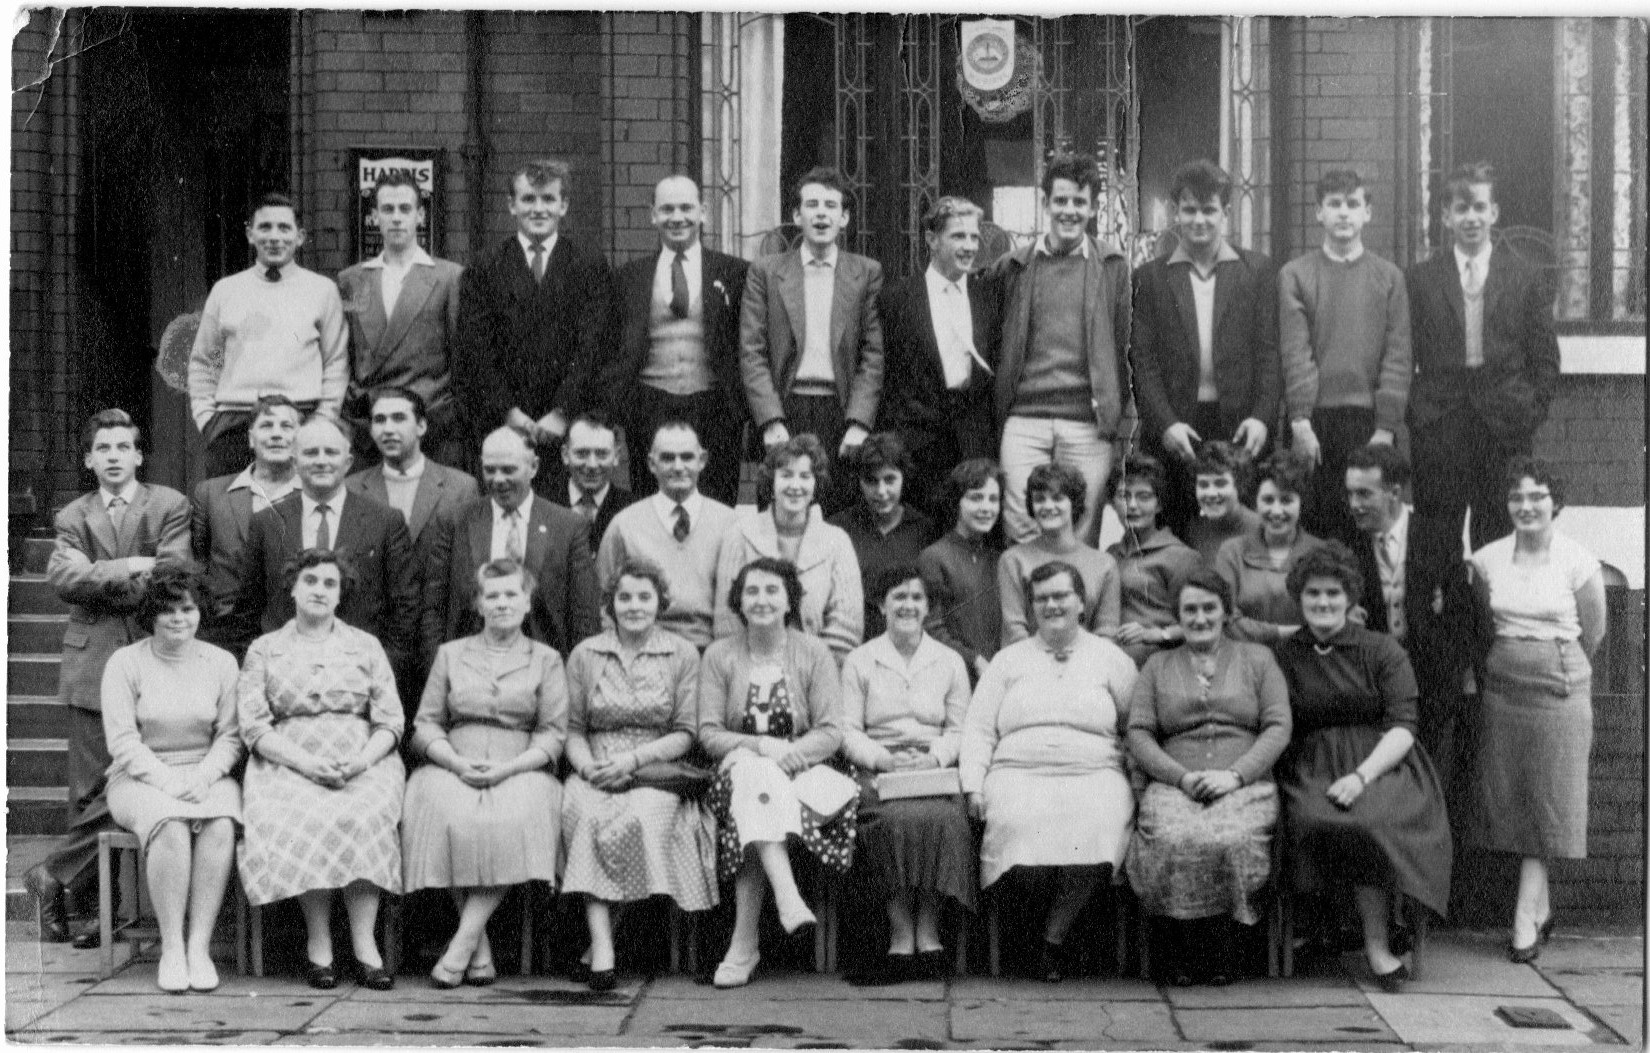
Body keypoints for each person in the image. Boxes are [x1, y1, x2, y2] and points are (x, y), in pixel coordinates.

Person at [27, 409, 191, 948]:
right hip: (92, 665)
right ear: (89, 459)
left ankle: (53, 873)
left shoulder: (168, 505)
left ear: (140, 455)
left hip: (152, 660)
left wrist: (111, 573)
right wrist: (128, 567)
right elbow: (64, 578)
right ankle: (97, 910)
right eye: (105, 448)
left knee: (130, 782)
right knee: (90, 790)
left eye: (125, 447)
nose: (115, 456)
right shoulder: (73, 514)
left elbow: (170, 573)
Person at [1272, 542, 1452, 992]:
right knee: (1315, 818)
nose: (1323, 603)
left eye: (1333, 594)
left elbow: (1404, 726)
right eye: (1313, 594)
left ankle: (1377, 943)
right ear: (1300, 598)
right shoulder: (1286, 653)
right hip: (1310, 765)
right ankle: (1327, 928)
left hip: (1382, 763)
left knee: (1372, 817)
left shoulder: (1381, 650)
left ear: (1350, 597)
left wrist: (1361, 776)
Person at [960, 561, 1139, 981]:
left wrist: (1138, 781)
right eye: (1042, 598)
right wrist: (973, 786)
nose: (1052, 604)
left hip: (1094, 771)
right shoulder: (1008, 662)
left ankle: (1052, 939)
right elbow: (979, 729)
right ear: (1032, 606)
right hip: (1018, 772)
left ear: (1081, 602)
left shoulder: (1111, 659)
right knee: (1020, 824)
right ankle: (1032, 930)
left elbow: (1136, 727)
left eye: (1061, 595)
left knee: (1101, 823)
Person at [237, 549, 406, 991]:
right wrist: (307, 763)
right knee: (307, 815)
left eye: (329, 583)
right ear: (292, 587)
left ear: (340, 594)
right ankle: (319, 941)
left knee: (366, 813)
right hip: (287, 761)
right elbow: (254, 726)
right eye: (310, 580)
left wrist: (362, 761)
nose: (319, 590)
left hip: (362, 757)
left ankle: (365, 943)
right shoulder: (265, 648)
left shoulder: (364, 646)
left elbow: (391, 721)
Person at [403, 558, 567, 988]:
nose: (501, 603)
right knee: (445, 810)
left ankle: (463, 942)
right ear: (477, 604)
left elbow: (552, 734)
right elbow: (426, 724)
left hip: (521, 766)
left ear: (527, 602)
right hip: (455, 761)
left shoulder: (546, 659)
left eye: (511, 594)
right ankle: (479, 952)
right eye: (491, 596)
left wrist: (512, 767)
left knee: (510, 819)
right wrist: (454, 762)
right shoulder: (451, 654)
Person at [1467, 459, 1606, 963]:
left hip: (1560, 689)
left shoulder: (1577, 560)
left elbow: (1594, 630)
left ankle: (1525, 917)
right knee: (1511, 796)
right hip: (1503, 687)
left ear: (1556, 503)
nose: (1527, 507)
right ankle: (1540, 908)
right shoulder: (1486, 560)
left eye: (1538, 497)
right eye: (1517, 498)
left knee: (1548, 798)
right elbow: (1484, 621)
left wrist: (1558, 669)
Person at [1124, 569, 1290, 986]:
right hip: (1174, 782)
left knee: (1229, 839)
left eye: (1209, 608)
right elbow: (1139, 732)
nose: (1199, 618)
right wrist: (1179, 778)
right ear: (1178, 617)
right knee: (1171, 837)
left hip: (1244, 783)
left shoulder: (1258, 659)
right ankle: (1178, 948)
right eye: (1190, 610)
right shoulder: (1158, 664)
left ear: (1227, 611)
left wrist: (1236, 775)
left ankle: (1226, 949)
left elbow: (1277, 725)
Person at [562, 560, 716, 990]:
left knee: (634, 821)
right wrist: (588, 767)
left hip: (654, 769)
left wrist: (632, 763)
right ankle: (603, 944)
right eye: (624, 597)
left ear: (660, 603)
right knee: (590, 818)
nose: (634, 606)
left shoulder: (682, 654)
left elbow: (685, 733)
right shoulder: (586, 654)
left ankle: (600, 948)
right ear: (610, 603)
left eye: (644, 597)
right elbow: (573, 730)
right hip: (595, 766)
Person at [699, 557, 852, 989]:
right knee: (754, 775)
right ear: (738, 602)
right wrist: (764, 748)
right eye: (752, 591)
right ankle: (787, 898)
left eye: (772, 590)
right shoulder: (720, 655)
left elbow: (830, 730)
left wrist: (790, 755)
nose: (762, 599)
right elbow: (709, 734)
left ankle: (744, 944)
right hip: (735, 775)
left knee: (759, 793)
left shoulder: (814, 652)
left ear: (789, 601)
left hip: (803, 776)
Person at [101, 563, 243, 993]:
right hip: (138, 777)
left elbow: (231, 736)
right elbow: (123, 742)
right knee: (171, 826)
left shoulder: (221, 662)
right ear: (150, 615)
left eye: (187, 608)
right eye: (167, 611)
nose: (179, 618)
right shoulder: (125, 662)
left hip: (205, 771)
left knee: (220, 822)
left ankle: (198, 947)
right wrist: (167, 782)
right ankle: (171, 948)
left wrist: (204, 776)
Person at [1407, 162, 1561, 555]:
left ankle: (1488, 620)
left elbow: (1545, 359)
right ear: (1445, 216)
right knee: (1435, 543)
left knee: (1497, 545)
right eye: (1461, 209)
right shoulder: (1422, 280)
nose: (1471, 217)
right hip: (1440, 429)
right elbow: (1403, 353)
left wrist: (1528, 410)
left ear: (1494, 212)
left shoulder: (1525, 278)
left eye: (1479, 207)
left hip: (1504, 430)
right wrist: (1418, 413)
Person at [840, 566, 975, 984]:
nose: (908, 606)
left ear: (928, 608)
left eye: (917, 598)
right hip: (878, 765)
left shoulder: (949, 661)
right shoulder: (860, 660)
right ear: (881, 605)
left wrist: (934, 759)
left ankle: (929, 930)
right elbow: (847, 730)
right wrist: (883, 759)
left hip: (933, 767)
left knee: (946, 820)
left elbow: (959, 728)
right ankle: (900, 932)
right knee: (890, 821)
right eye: (899, 597)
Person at [1130, 160, 1279, 539]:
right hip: (1178, 426)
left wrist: (1262, 416)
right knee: (1177, 530)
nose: (1199, 220)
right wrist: (1165, 424)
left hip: (1238, 424)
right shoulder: (1150, 277)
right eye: (1190, 209)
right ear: (1175, 212)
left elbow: (1268, 353)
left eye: (1209, 210)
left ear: (1225, 213)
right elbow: (1143, 363)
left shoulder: (1256, 271)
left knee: (1237, 531)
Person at [989, 153, 1131, 546]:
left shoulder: (1113, 267)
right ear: (1046, 203)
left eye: (1079, 202)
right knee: (1021, 527)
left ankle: (1076, 609)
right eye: (1061, 201)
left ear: (1093, 207)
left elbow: (1124, 351)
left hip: (1088, 422)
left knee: (1080, 531)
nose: (1069, 211)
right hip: (1024, 419)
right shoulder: (1014, 267)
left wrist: (1121, 425)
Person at [228, 416, 419, 704]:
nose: (321, 461)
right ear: (294, 461)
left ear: (348, 461)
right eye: (310, 452)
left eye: (330, 452)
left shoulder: (385, 522)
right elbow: (248, 609)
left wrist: (378, 676)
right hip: (284, 686)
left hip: (361, 685)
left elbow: (404, 609)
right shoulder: (266, 522)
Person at [740, 166, 884, 516]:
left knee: (839, 516)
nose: (821, 213)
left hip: (841, 410)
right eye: (812, 204)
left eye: (831, 206)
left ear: (845, 217)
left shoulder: (865, 273)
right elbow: (752, 351)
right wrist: (770, 420)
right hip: (785, 407)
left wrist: (859, 422)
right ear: (796, 214)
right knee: (781, 512)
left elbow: (873, 355)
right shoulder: (766, 272)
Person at [453, 158, 613, 468]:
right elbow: (476, 348)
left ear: (563, 206)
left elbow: (593, 345)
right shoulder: (485, 267)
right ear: (512, 205)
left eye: (548, 199)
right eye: (528, 199)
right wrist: (508, 412)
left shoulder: (589, 265)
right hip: (504, 424)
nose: (538, 209)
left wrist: (562, 412)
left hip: (569, 427)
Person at [1280, 169, 1410, 547]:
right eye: (1334, 204)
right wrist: (1301, 421)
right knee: (1316, 525)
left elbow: (1398, 356)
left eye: (1353, 204)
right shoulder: (1296, 275)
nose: (1343, 213)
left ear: (1367, 212)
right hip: (1315, 424)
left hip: (1370, 423)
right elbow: (1295, 352)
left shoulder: (1389, 278)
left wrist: (1385, 427)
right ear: (1319, 212)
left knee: (1370, 530)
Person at [604, 174, 750, 506]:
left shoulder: (734, 273)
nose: (677, 217)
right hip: (649, 404)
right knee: (650, 501)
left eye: (686, 207)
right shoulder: (629, 277)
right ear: (652, 214)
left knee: (715, 505)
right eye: (667, 209)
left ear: (703, 211)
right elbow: (613, 348)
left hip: (714, 405)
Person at [188, 192, 347, 479]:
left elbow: (336, 362)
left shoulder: (322, 291)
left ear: (299, 237)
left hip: (300, 420)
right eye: (265, 227)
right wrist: (207, 419)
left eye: (284, 228)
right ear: (250, 235)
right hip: (234, 424)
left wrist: (322, 420)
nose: (274, 237)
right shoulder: (226, 290)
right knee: (230, 515)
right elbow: (202, 361)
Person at [421, 426, 602, 661]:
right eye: (489, 470)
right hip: (469, 669)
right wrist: (441, 671)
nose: (498, 480)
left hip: (544, 672)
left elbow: (584, 617)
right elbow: (433, 609)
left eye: (508, 470)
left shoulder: (567, 526)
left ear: (533, 467)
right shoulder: (456, 521)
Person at [875, 196, 1002, 521]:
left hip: (973, 444)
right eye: (958, 236)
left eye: (974, 237)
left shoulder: (988, 296)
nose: (969, 246)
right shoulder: (897, 299)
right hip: (918, 446)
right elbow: (885, 373)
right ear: (932, 239)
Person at [337, 171, 467, 468]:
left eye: (405, 209)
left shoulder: (448, 277)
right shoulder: (352, 280)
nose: (396, 218)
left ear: (420, 215)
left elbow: (460, 356)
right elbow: (345, 356)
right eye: (388, 209)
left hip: (430, 425)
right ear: (375, 216)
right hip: (369, 427)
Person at [714, 435, 863, 663]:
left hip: (818, 671)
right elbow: (727, 622)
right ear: (771, 483)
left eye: (805, 477)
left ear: (816, 485)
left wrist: (811, 672)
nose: (795, 486)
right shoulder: (740, 535)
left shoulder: (837, 541)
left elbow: (845, 629)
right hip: (750, 667)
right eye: (786, 475)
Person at [597, 421, 738, 651]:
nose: (678, 466)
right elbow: (603, 603)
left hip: (709, 653)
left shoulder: (730, 524)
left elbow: (737, 607)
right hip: (645, 652)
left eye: (687, 457)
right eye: (668, 458)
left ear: (702, 461)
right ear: (652, 464)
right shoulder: (625, 525)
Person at [192, 395, 302, 654]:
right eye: (267, 426)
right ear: (251, 438)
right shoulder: (211, 494)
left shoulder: (313, 495)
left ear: (300, 438)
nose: (276, 435)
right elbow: (198, 563)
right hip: (224, 636)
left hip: (295, 633)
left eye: (286, 427)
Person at [997, 462, 1120, 647]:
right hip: (1029, 666)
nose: (1048, 506)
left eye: (1057, 498)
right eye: (1039, 499)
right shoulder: (1013, 560)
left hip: (1089, 667)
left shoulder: (1104, 564)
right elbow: (1014, 632)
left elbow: (1107, 632)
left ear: (1074, 503)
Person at [828, 433, 937, 639]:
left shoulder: (924, 530)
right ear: (859, 481)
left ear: (903, 477)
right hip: (853, 641)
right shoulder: (839, 528)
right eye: (871, 481)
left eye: (890, 480)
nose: (881, 491)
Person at [344, 386, 479, 550]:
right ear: (371, 430)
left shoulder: (460, 488)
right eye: (380, 420)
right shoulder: (351, 488)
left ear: (421, 426)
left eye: (399, 418)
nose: (388, 429)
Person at [1213, 450, 1324, 643]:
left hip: (1309, 658)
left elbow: (1346, 616)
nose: (1276, 510)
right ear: (1255, 503)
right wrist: (1286, 633)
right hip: (1245, 658)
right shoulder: (1232, 552)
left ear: (1301, 503)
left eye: (1286, 500)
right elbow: (1225, 618)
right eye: (1268, 500)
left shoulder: (1322, 552)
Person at [917, 458, 1006, 683]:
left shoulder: (1001, 560)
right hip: (953, 678)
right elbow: (930, 628)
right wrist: (974, 660)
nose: (986, 508)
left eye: (993, 499)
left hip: (998, 679)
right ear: (957, 502)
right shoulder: (934, 557)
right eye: (976, 498)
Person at [1108, 454, 1201, 667]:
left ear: (1159, 505)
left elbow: (1200, 619)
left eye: (1143, 496)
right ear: (1113, 503)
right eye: (1123, 496)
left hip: (1160, 660)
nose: (1132, 505)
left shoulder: (1181, 557)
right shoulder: (1111, 554)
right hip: (1113, 655)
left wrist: (1158, 634)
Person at [1344, 443, 1412, 642]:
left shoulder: (1438, 538)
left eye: (1364, 494)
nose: (1354, 505)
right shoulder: (1346, 544)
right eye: (1350, 493)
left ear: (1394, 493)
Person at [547, 412, 638, 554]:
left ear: (616, 456)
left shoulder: (634, 510)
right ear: (565, 455)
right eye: (582, 453)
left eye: (602, 454)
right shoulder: (541, 504)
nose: (592, 465)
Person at [1182, 440, 1259, 564]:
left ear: (1239, 486)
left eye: (1220, 484)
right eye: (1203, 485)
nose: (1211, 493)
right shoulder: (1195, 531)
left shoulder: (1263, 530)